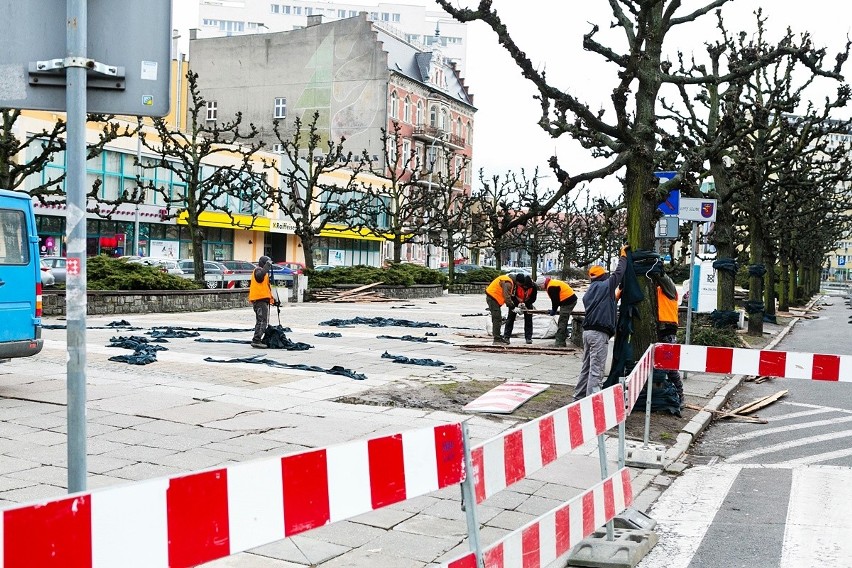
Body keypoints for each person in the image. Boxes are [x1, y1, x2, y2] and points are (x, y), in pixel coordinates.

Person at [573, 246, 629, 401]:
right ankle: (593, 403)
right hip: (599, 334)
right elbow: (619, 273)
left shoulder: (590, 291)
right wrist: (623, 256)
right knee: (596, 370)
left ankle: (578, 398)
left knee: (586, 367)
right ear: (603, 276)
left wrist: (614, 299)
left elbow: (600, 306)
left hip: (587, 333)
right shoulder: (605, 285)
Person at [652, 270, 685, 406]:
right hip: (659, 329)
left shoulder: (670, 290)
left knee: (669, 365)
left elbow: (664, 279)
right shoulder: (654, 291)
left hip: (667, 329)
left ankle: (679, 394)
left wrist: (658, 270)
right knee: (662, 365)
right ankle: (672, 393)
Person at [535, 275, 578, 347]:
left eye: (540, 286)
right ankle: (563, 338)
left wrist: (553, 310)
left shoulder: (551, 287)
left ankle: (560, 343)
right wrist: (553, 309)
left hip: (568, 301)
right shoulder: (552, 283)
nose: (540, 288)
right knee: (562, 320)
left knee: (562, 321)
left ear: (542, 284)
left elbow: (555, 301)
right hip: (568, 300)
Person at [249, 255, 276, 348]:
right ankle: (256, 340)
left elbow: (266, 288)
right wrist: (267, 266)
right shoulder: (258, 271)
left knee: (261, 321)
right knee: (262, 321)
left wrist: (272, 300)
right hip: (259, 301)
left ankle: (257, 339)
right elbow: (259, 277)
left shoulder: (264, 273)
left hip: (262, 300)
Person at [503, 274, 537, 344]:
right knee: (510, 319)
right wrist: (517, 304)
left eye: (527, 287)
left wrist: (526, 304)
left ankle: (528, 337)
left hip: (527, 303)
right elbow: (512, 296)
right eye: (524, 287)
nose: (525, 288)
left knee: (529, 320)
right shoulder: (516, 285)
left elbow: (533, 298)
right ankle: (506, 337)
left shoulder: (533, 287)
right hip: (515, 303)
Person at [485, 272, 518, 345]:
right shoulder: (508, 283)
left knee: (497, 318)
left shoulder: (505, 279)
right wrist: (512, 306)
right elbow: (507, 297)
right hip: (493, 298)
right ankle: (496, 339)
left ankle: (498, 337)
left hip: (492, 298)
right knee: (497, 319)